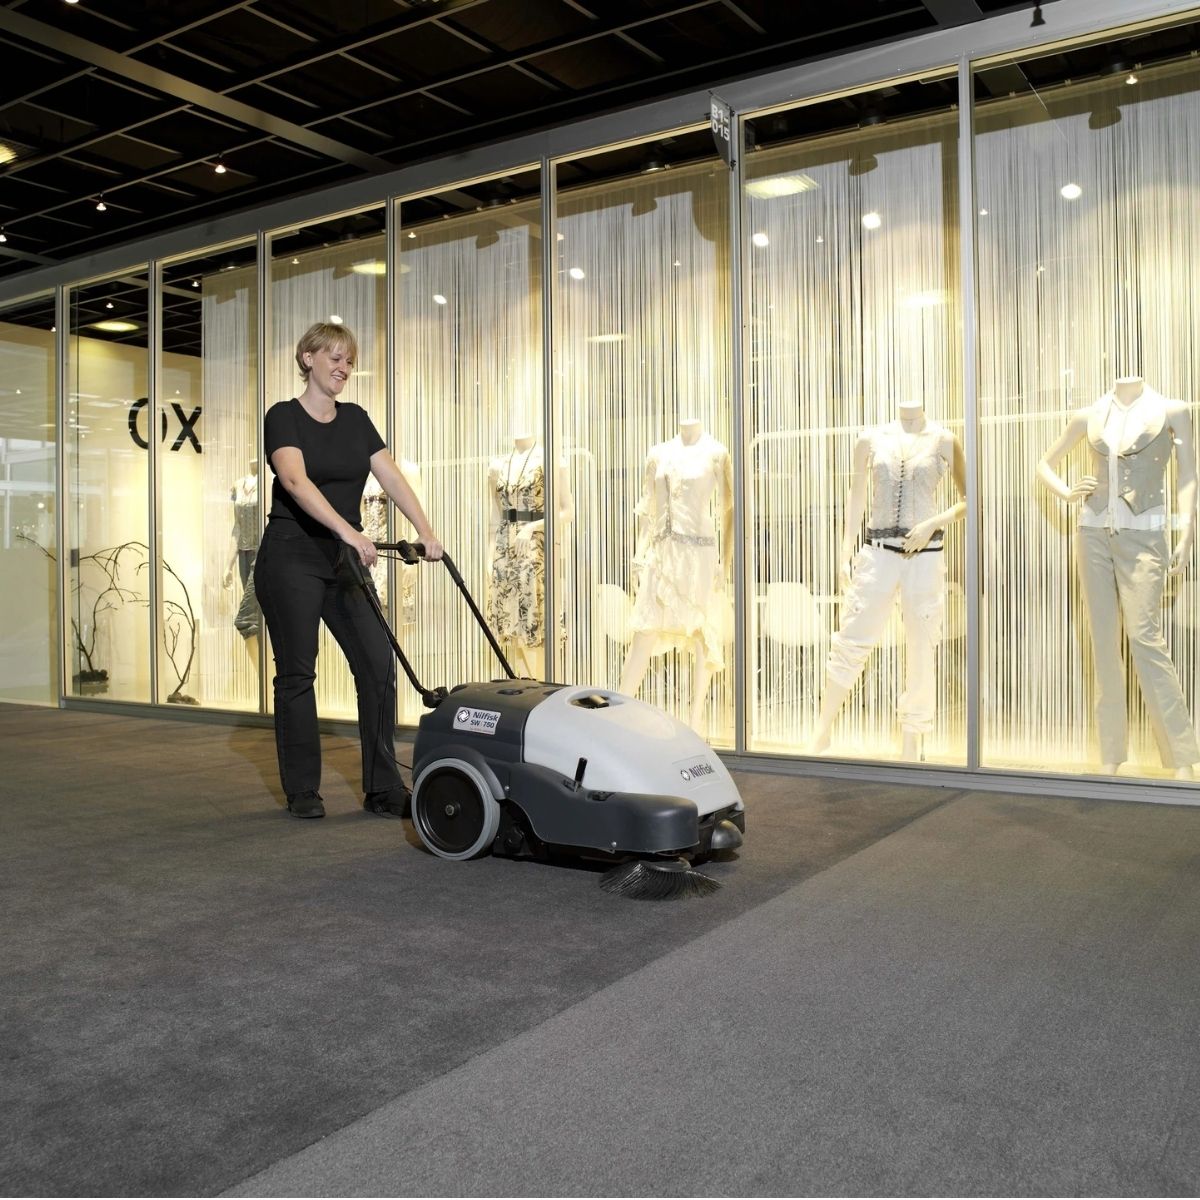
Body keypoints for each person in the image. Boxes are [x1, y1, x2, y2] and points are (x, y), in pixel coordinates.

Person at [254, 321, 443, 819]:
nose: (343, 368)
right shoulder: (283, 416)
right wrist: (347, 530)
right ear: (308, 358)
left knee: (378, 664)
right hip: (292, 555)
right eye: (335, 358)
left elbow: (391, 476)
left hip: (344, 560)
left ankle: (383, 787)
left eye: (350, 361)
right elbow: (294, 481)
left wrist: (426, 530)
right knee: (297, 673)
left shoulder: (356, 419)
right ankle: (303, 790)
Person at [1036, 374, 1198, 777]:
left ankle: (1181, 757)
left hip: (1145, 534)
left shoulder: (1171, 411)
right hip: (1092, 533)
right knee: (1103, 642)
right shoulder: (1089, 415)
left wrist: (1186, 534)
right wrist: (1066, 491)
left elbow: (1187, 475)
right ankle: (1111, 755)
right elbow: (1043, 464)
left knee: (1145, 638)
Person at [810, 401, 966, 760]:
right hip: (877, 551)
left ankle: (912, 741)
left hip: (924, 554)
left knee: (922, 645)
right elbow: (856, 496)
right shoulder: (870, 439)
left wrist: (931, 524)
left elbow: (970, 500)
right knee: (852, 638)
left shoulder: (944, 440)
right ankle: (822, 730)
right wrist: (845, 552)